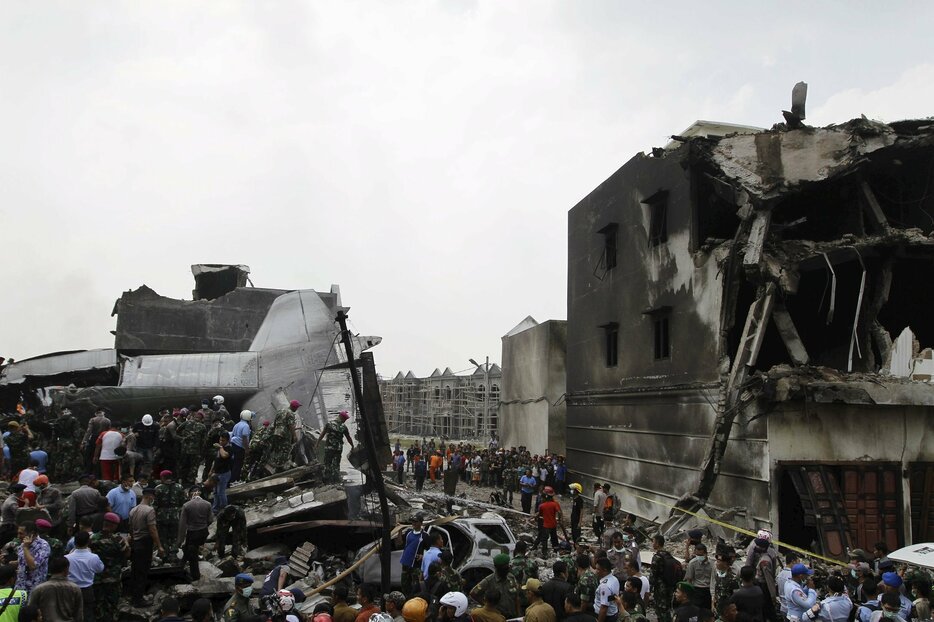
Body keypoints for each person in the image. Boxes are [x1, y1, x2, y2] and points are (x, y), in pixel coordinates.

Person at [128, 486, 163, 607]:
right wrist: (159, 546)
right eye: (153, 497)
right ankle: (139, 600)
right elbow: (152, 529)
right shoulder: (149, 510)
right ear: (149, 496)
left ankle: (134, 597)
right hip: (145, 543)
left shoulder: (133, 510)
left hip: (136, 543)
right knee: (142, 572)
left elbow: (131, 529)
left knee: (135, 571)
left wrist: (132, 542)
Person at [90, 512, 128, 622]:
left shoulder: (92, 538)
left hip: (97, 577)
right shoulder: (118, 540)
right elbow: (126, 554)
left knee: (98, 604)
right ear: (113, 525)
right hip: (113, 577)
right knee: (112, 605)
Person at [29, 556, 83, 622]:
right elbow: (78, 614)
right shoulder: (75, 589)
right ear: (66, 569)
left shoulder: (39, 589)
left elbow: (30, 612)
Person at [66, 531, 103, 622]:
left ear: (74, 542)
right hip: (87, 589)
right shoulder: (94, 557)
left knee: (71, 614)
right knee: (87, 614)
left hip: (71, 589)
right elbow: (100, 569)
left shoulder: (67, 557)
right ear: (88, 542)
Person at [470, 553, 520, 620]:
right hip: (497, 617)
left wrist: (519, 615)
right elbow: (473, 593)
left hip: (512, 616)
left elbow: (516, 596)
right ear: (498, 568)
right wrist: (486, 605)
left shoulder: (511, 577)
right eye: (505, 568)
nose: (508, 569)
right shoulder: (489, 580)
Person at [179, 485, 214, 581]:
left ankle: (196, 577)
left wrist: (180, 539)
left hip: (192, 532)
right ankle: (181, 566)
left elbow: (182, 524)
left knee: (192, 556)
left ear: (190, 494)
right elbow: (211, 519)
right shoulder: (207, 504)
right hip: (203, 532)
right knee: (188, 549)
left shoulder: (187, 505)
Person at [154, 470, 186, 561]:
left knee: (163, 535)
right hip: (176, 515)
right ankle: (173, 554)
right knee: (175, 535)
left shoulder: (158, 488)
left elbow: (155, 504)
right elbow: (183, 502)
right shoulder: (179, 487)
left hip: (162, 515)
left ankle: (165, 553)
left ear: (163, 477)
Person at [267, 400, 301, 473]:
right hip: (284, 435)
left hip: (277, 433)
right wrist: (294, 436)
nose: (297, 409)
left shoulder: (280, 411)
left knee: (278, 450)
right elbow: (291, 425)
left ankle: (273, 466)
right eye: (297, 407)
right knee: (285, 451)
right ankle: (280, 468)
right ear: (294, 407)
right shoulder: (290, 413)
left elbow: (275, 423)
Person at [15, 521, 50, 592]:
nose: (18, 536)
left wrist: (25, 548)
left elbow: (33, 566)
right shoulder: (23, 544)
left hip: (34, 589)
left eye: (21, 534)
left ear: (32, 534)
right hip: (20, 586)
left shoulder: (43, 546)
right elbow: (23, 561)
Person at [177, 410, 207, 487]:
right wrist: (202, 453)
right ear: (202, 418)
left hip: (184, 449)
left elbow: (178, 430)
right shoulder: (203, 427)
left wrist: (183, 437)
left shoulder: (187, 422)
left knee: (184, 465)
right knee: (193, 467)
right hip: (195, 451)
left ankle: (183, 482)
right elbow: (203, 442)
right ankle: (190, 483)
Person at [650, 535, 677, 622]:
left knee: (661, 610)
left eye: (653, 542)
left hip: (660, 588)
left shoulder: (657, 557)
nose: (652, 544)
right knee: (667, 608)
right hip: (670, 586)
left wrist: (650, 588)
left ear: (657, 544)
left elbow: (653, 575)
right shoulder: (668, 555)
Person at [532, 487, 563, 558]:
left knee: (544, 540)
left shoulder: (542, 506)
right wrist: (559, 519)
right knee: (554, 538)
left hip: (546, 526)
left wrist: (535, 518)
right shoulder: (555, 504)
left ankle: (544, 554)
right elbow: (559, 512)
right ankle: (556, 551)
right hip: (553, 525)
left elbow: (539, 514)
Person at [208, 431, 233, 513]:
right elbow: (216, 460)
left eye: (223, 440)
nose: (221, 442)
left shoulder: (229, 448)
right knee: (215, 492)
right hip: (217, 473)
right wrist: (211, 471)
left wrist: (220, 447)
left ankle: (224, 509)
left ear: (227, 441)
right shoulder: (219, 449)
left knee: (221, 492)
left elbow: (225, 456)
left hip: (224, 473)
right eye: (220, 440)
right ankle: (215, 509)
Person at [400, 515, 425, 596]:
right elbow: (399, 543)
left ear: (421, 523)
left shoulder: (424, 535)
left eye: (416, 521)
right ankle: (406, 598)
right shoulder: (408, 533)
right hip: (406, 563)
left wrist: (422, 555)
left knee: (415, 585)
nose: (413, 523)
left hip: (416, 565)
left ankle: (414, 599)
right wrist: (399, 531)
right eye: (412, 521)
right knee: (404, 583)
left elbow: (429, 549)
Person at [684, 543, 712, 610]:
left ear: (706, 554)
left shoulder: (712, 563)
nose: (699, 557)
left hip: (709, 590)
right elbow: (689, 579)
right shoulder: (692, 563)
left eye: (701, 555)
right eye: (697, 555)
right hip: (697, 590)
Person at [133, 414, 159, 479]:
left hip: (150, 446)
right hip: (139, 446)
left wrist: (156, 445)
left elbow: (156, 437)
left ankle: (148, 475)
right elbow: (132, 433)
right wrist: (134, 434)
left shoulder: (155, 426)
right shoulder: (137, 425)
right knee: (139, 460)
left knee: (150, 461)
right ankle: (138, 475)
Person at [594, 557, 621, 622]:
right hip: (613, 613)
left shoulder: (605, 586)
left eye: (598, 569)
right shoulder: (614, 579)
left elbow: (604, 608)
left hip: (605, 617)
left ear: (605, 570)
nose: (596, 571)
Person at [229, 411, 252, 482]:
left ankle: (231, 479)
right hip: (239, 446)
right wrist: (247, 449)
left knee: (233, 463)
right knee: (238, 464)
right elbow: (244, 437)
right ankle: (234, 479)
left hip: (233, 444)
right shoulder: (246, 426)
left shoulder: (237, 424)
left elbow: (232, 434)